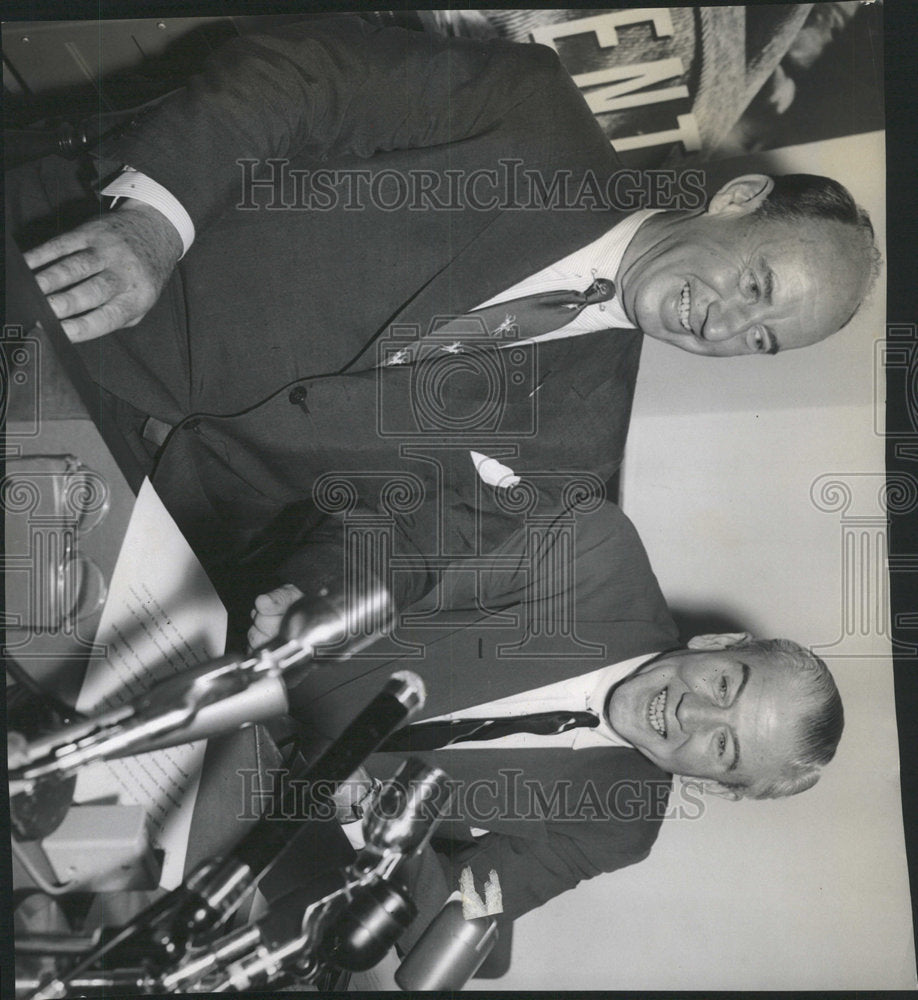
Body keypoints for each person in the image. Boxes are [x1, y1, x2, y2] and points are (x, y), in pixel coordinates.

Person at [11, 16, 879, 607]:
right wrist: (156, 225)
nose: (723, 325)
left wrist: (331, 597)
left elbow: (404, 537)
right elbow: (298, 77)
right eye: (756, 287)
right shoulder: (528, 116)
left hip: (127, 521)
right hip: (59, 301)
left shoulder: (577, 451)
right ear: (739, 199)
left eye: (760, 339)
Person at [226, 497, 844, 936]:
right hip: (236, 654)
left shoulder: (619, 826)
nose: (692, 713)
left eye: (723, 747)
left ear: (715, 787)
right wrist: (316, 605)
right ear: (718, 646)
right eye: (724, 684)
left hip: (258, 822)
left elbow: (451, 921)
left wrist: (376, 818)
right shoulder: (597, 552)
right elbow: (404, 548)